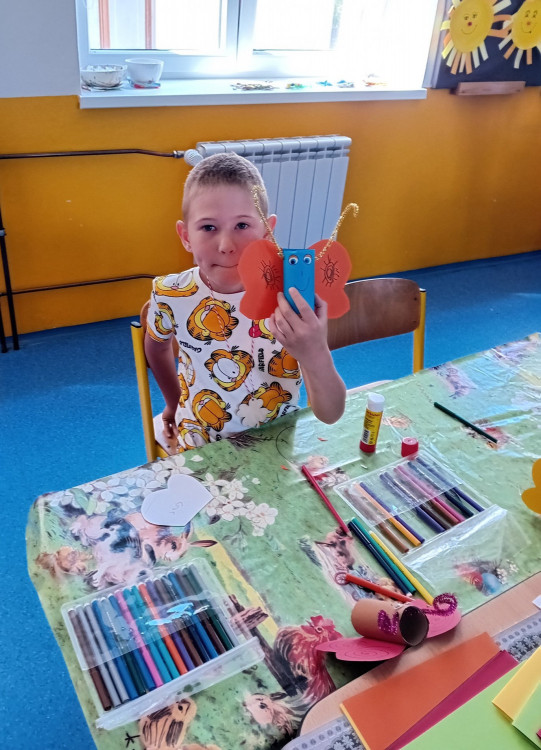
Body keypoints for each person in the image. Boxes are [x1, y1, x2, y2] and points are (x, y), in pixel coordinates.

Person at [145, 152, 346, 453]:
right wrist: (173, 402)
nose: (226, 246)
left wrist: (315, 352)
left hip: (276, 444)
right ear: (185, 236)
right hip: (200, 445)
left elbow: (330, 414)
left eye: (241, 225)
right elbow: (157, 346)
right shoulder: (170, 294)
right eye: (208, 227)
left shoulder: (293, 300)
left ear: (267, 231)